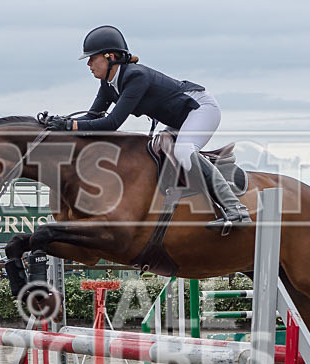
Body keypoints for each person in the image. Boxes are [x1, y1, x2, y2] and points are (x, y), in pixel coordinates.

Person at [45, 25, 251, 234]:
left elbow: (112, 123)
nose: (88, 64)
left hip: (201, 109)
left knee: (183, 151)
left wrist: (70, 126)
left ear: (110, 57)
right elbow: (92, 117)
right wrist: (60, 123)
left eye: (92, 58)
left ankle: (236, 210)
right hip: (180, 118)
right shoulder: (108, 85)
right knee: (157, 148)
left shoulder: (136, 77)